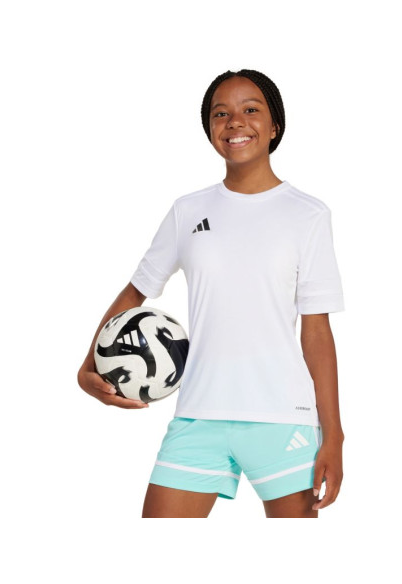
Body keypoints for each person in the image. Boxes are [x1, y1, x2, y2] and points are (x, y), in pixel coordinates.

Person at [77, 69, 345, 518]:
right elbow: (135, 293)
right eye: (221, 114)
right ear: (209, 130)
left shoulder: (308, 215)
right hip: (198, 415)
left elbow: (316, 333)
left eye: (251, 110)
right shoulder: (188, 211)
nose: (235, 121)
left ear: (274, 126)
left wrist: (334, 435)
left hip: (283, 420)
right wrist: (88, 367)